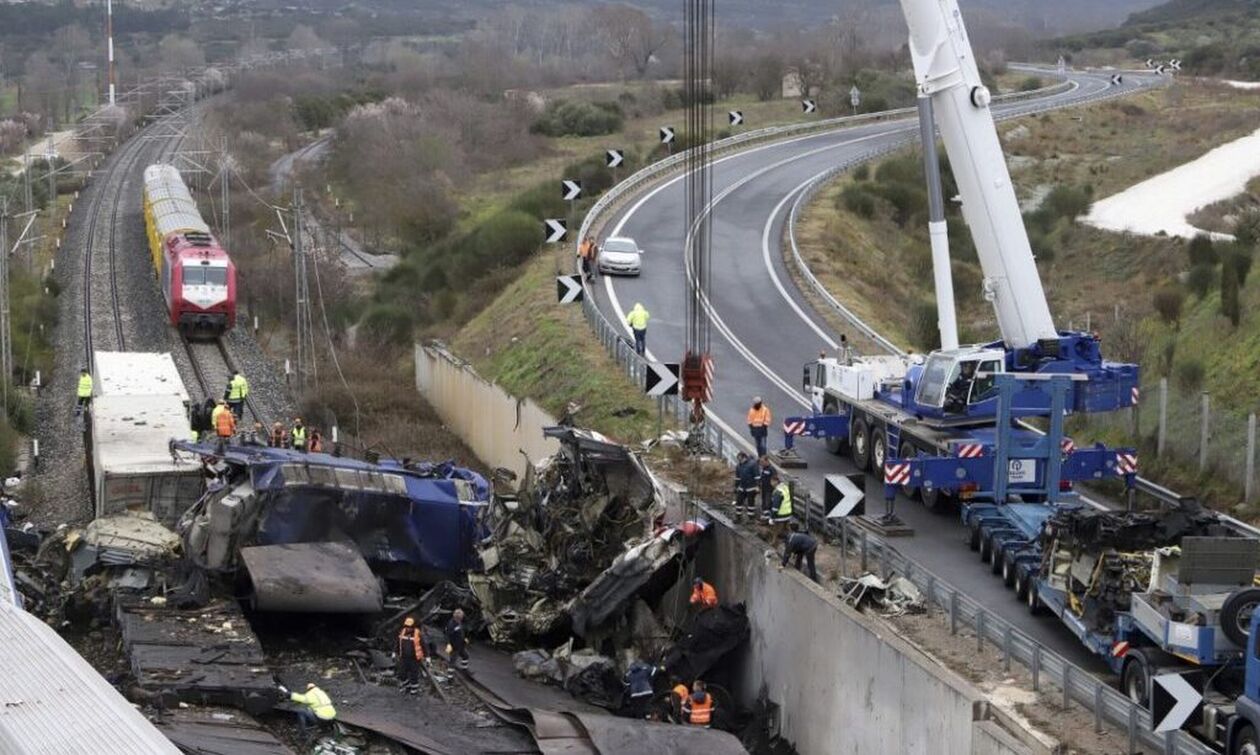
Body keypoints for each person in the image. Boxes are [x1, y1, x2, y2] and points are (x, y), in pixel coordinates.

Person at [397, 617, 426, 695]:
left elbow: (424, 645)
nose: (408, 628)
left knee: (414, 674)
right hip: (404, 657)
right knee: (401, 673)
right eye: (407, 626)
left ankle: (414, 690)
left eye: (410, 627)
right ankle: (407, 685)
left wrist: (427, 656)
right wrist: (394, 652)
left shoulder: (418, 633)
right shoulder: (402, 632)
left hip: (415, 658)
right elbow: (397, 643)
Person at [734, 452, 759, 522]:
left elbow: (757, 476)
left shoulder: (752, 464)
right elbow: (737, 477)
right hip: (742, 487)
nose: (739, 461)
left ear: (744, 457)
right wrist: (736, 486)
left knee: (751, 503)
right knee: (739, 501)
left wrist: (757, 486)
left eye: (740, 459)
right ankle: (738, 517)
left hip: (751, 487)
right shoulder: (739, 466)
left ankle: (751, 518)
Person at [758, 455, 775, 521]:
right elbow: (762, 478)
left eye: (762, 462)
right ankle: (765, 516)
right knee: (764, 502)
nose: (761, 464)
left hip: (769, 490)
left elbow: (775, 479)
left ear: (767, 461)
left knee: (768, 503)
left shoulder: (771, 469)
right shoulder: (764, 469)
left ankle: (768, 518)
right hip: (764, 489)